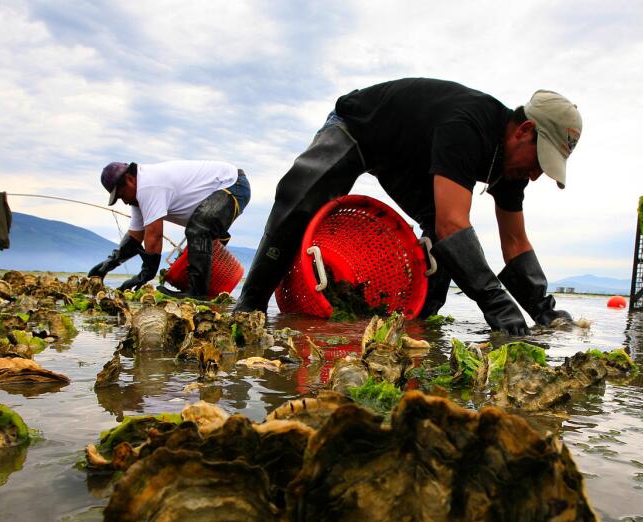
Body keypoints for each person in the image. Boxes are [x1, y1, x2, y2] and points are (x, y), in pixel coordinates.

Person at [233, 78, 581, 332]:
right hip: (360, 128)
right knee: (301, 197)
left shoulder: (512, 168)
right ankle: (249, 306)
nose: (535, 175)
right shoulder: (468, 125)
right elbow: (454, 224)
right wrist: (496, 302)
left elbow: (514, 243)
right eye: (539, 161)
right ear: (523, 130)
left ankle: (416, 322)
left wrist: (542, 310)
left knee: (440, 243)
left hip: (409, 163)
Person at [90, 160, 251, 296]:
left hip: (233, 185)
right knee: (199, 230)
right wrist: (108, 265)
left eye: (122, 195)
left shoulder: (148, 185)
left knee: (198, 229)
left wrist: (146, 273)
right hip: (223, 191)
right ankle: (201, 289)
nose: (124, 202)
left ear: (130, 179)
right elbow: (135, 237)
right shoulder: (139, 198)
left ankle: (197, 294)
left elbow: (154, 235)